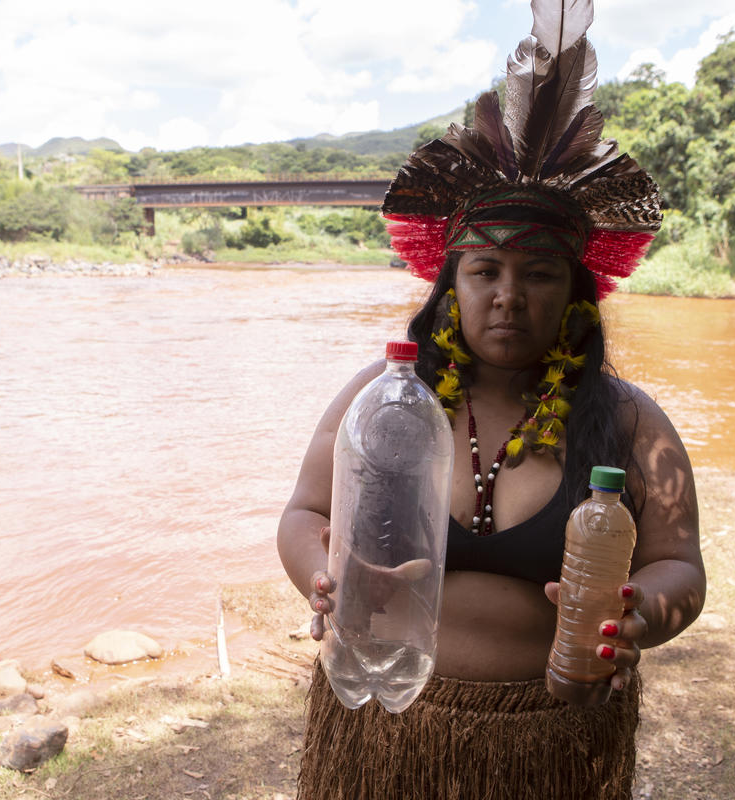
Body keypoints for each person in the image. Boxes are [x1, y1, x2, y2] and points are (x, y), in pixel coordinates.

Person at [276, 2, 705, 797]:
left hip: (553, 742)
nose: (509, 296)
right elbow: (305, 515)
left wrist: (643, 611)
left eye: (538, 273)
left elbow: (679, 565)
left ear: (576, 292)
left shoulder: (631, 423)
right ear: (450, 287)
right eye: (485, 273)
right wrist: (322, 580)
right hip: (382, 724)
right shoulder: (384, 399)